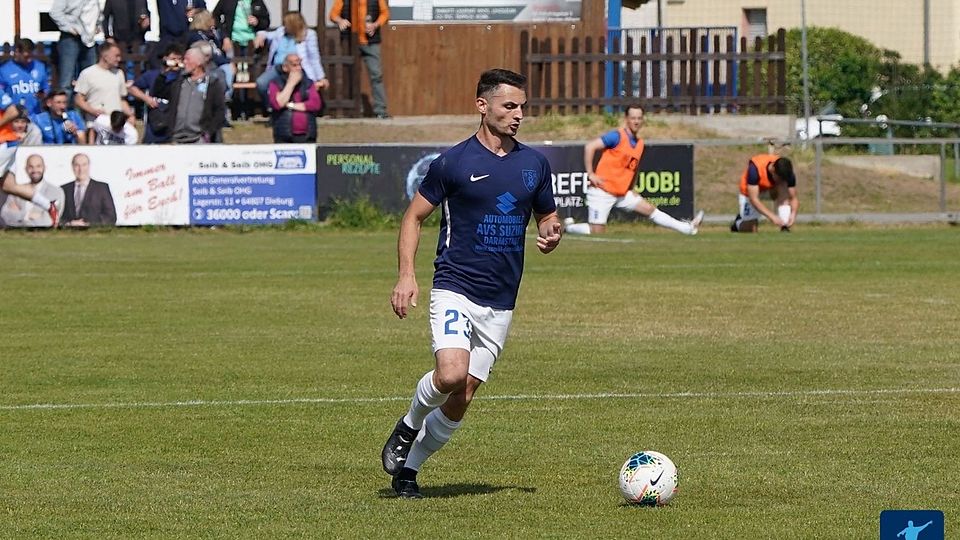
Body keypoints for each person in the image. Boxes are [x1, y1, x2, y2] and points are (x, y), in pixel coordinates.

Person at [381, 68, 562, 499]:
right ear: (483, 106)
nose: (518, 114)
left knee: (461, 397)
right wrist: (407, 274)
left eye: (522, 107)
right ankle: (407, 425)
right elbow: (414, 217)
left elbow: (547, 217)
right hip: (454, 285)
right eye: (509, 106)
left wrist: (553, 232)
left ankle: (408, 471)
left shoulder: (534, 164)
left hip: (501, 300)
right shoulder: (454, 162)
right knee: (450, 374)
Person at [563, 105, 703, 236]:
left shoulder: (640, 144)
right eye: (633, 118)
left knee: (650, 210)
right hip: (602, 191)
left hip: (622, 193)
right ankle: (569, 227)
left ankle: (687, 228)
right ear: (626, 120)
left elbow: (633, 168)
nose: (636, 121)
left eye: (639, 118)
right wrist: (591, 174)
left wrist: (631, 187)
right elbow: (590, 146)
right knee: (596, 231)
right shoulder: (616, 136)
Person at [253, 13, 330, 112]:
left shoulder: (309, 35)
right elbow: (266, 34)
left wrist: (320, 77)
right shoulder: (280, 32)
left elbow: (314, 58)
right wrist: (260, 36)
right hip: (279, 68)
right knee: (261, 83)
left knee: (298, 87)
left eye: (286, 24)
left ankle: (296, 109)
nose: (284, 26)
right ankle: (272, 107)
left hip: (297, 68)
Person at [0, 102, 59, 226]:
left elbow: (14, 110)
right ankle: (49, 206)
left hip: (3, 143)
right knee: (9, 186)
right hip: (8, 144)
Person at [329, 0, 390, 118]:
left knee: (376, 75)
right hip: (350, 42)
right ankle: (354, 109)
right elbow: (333, 14)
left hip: (371, 42)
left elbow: (385, 14)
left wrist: (375, 25)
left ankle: (380, 111)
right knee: (350, 76)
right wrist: (340, 20)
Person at [154, 47, 226, 144]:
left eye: (187, 59)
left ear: (198, 62)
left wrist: (209, 132)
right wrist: (166, 72)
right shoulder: (179, 82)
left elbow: (220, 111)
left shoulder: (212, 84)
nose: (184, 62)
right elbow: (158, 91)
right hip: (176, 138)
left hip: (199, 139)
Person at [128, 44, 184, 144]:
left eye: (179, 59)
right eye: (173, 58)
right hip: (155, 122)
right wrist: (146, 99)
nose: (176, 62)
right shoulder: (153, 75)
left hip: (174, 122)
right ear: (165, 58)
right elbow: (132, 88)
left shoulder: (183, 77)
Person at [73, 42, 135, 131]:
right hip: (96, 124)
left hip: (116, 124)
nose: (119, 59)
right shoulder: (88, 73)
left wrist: (130, 115)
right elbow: (78, 99)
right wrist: (93, 111)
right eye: (116, 56)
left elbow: (121, 100)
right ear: (105, 56)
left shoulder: (119, 74)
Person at [730, 154, 799, 232]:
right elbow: (754, 199)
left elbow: (793, 198)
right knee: (751, 229)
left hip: (769, 190)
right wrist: (772, 217)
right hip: (749, 192)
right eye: (779, 178)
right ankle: (737, 223)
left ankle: (784, 226)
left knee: (783, 187)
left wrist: (793, 214)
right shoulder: (755, 169)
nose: (781, 180)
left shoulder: (787, 173)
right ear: (773, 170)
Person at [50, 0, 101, 100]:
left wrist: (97, 25)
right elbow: (55, 12)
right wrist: (69, 28)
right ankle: (65, 111)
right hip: (70, 38)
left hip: (89, 40)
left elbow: (95, 11)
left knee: (89, 79)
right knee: (66, 80)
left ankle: (86, 110)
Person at [268, 53, 322, 143]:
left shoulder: (308, 83)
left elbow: (315, 104)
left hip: (307, 134)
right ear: (285, 67)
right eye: (294, 65)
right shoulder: (276, 83)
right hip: (284, 134)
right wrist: (291, 84)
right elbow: (277, 104)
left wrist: (290, 105)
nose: (299, 68)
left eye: (300, 65)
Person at [0, 154, 65, 228]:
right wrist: (28, 215)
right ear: (26, 169)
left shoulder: (56, 191)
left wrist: (19, 217)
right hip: (18, 236)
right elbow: (5, 215)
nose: (35, 170)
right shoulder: (17, 190)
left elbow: (49, 220)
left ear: (44, 168)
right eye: (31, 167)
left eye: (38, 166)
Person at [187, 10, 235, 105]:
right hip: (207, 65)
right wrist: (227, 62)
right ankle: (222, 99)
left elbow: (222, 35)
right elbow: (210, 55)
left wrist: (225, 38)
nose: (213, 21)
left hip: (217, 63)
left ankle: (225, 98)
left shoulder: (211, 34)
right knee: (225, 70)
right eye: (211, 18)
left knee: (226, 70)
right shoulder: (196, 36)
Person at [60, 153, 117, 227]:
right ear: (72, 167)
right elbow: (58, 217)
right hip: (69, 234)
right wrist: (69, 224)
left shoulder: (102, 188)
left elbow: (111, 217)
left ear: (89, 166)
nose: (81, 169)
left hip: (94, 234)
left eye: (84, 165)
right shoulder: (64, 189)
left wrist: (89, 225)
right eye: (77, 165)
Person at [0, 38, 51, 115]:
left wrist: (44, 94)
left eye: (32, 55)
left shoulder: (40, 67)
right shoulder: (4, 70)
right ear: (17, 52)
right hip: (14, 118)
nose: (30, 59)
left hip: (35, 116)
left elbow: (46, 88)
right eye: (26, 56)